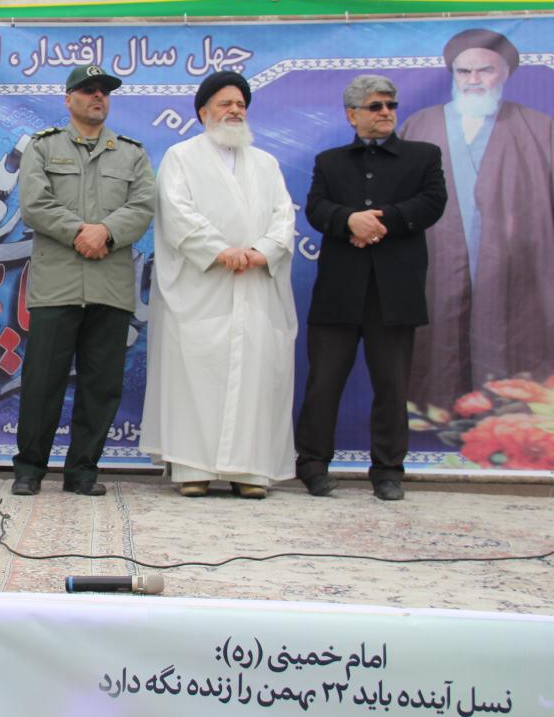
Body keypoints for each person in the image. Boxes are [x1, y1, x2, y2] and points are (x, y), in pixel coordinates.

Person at [140, 72, 297, 499]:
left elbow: (283, 216)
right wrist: (220, 250)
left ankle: (251, 472)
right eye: (225, 103)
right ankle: (193, 469)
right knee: (196, 375)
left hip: (254, 286)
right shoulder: (181, 156)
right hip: (201, 288)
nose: (234, 111)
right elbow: (177, 212)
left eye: (240, 105)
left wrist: (262, 251)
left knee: (253, 378)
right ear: (203, 112)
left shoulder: (266, 163)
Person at [296, 75, 447, 501]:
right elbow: (316, 209)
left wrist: (379, 223)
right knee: (323, 382)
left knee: (392, 385)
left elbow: (432, 202)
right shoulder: (329, 161)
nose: (386, 112)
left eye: (390, 105)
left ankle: (387, 472)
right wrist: (348, 221)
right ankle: (312, 466)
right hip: (339, 291)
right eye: (375, 106)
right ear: (352, 115)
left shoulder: (423, 155)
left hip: (394, 291)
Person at [11, 65, 155, 497]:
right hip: (57, 285)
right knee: (42, 382)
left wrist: (106, 232)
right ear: (68, 98)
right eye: (88, 90)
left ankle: (82, 472)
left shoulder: (131, 154)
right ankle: (29, 470)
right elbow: (34, 205)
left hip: (110, 285)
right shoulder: (42, 148)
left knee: (101, 385)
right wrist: (80, 232)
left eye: (104, 91)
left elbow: (143, 205)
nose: (98, 97)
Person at [398, 28, 554, 409]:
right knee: (436, 332)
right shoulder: (419, 126)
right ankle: (437, 413)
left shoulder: (540, 128)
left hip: (517, 269)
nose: (473, 80)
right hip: (436, 262)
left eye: (485, 70)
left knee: (511, 331)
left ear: (505, 73)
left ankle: (510, 414)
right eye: (464, 71)